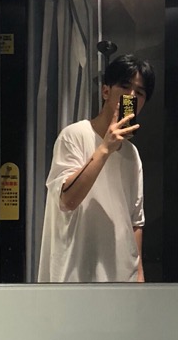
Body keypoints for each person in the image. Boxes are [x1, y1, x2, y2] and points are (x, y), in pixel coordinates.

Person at [38, 54, 156, 282]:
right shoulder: (74, 136)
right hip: (75, 274)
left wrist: (139, 275)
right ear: (105, 91)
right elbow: (67, 200)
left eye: (139, 92)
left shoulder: (132, 154)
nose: (131, 96)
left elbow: (135, 221)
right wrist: (105, 149)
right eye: (125, 86)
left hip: (121, 277)